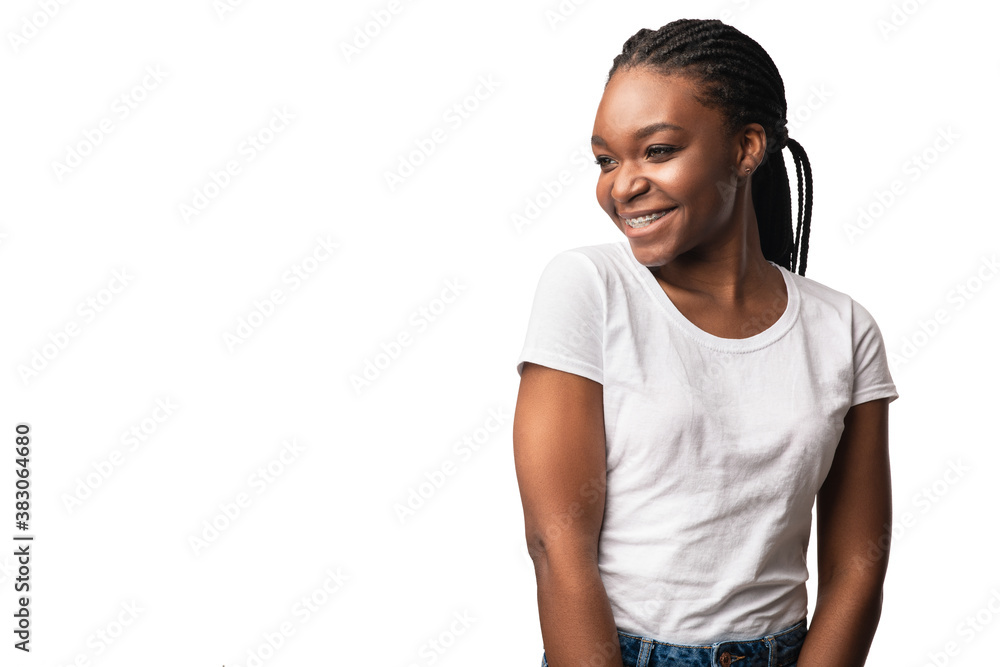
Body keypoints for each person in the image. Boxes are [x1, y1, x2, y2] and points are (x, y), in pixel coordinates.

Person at [512, 18, 898, 667]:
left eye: (657, 150)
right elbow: (557, 543)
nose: (622, 184)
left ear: (747, 148)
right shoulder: (590, 288)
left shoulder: (844, 329)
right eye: (607, 159)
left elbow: (858, 563)